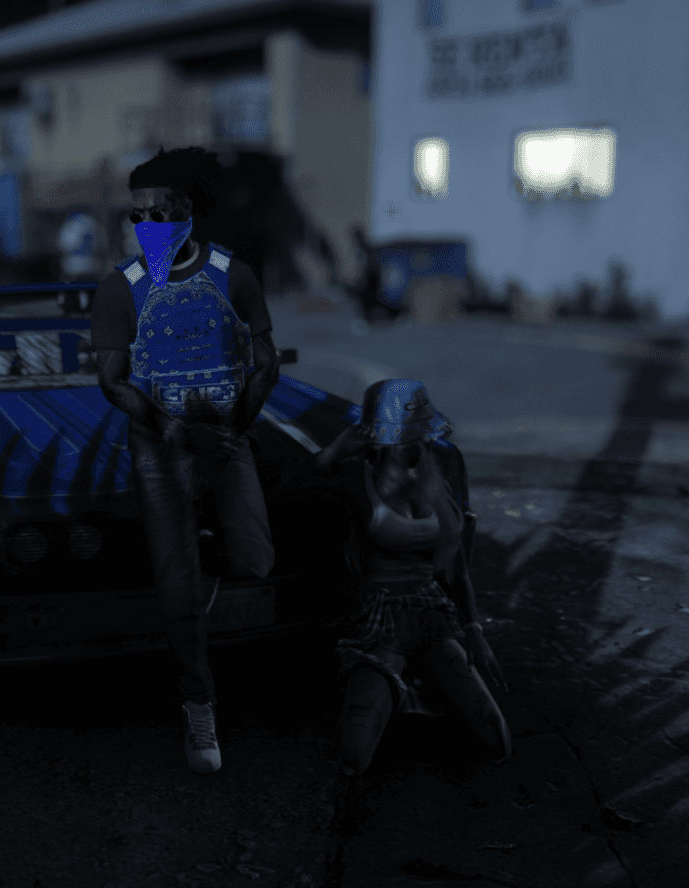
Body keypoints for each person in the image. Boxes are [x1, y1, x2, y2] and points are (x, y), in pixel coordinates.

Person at [90, 146, 280, 775]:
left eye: (161, 212)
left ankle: (203, 557)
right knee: (177, 589)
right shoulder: (121, 287)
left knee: (255, 559)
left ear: (189, 211)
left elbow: (267, 361)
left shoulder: (233, 275)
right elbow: (112, 381)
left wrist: (234, 430)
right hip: (160, 446)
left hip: (225, 437)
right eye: (137, 215)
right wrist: (174, 430)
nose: (147, 225)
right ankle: (199, 705)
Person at [265, 379, 513, 775]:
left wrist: (474, 629)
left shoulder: (438, 474)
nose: (418, 446)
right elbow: (278, 494)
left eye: (421, 437)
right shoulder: (354, 477)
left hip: (434, 619)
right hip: (381, 623)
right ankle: (397, 688)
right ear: (380, 439)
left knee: (496, 740)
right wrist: (333, 451)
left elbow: (457, 569)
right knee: (355, 748)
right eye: (406, 439)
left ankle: (419, 688)